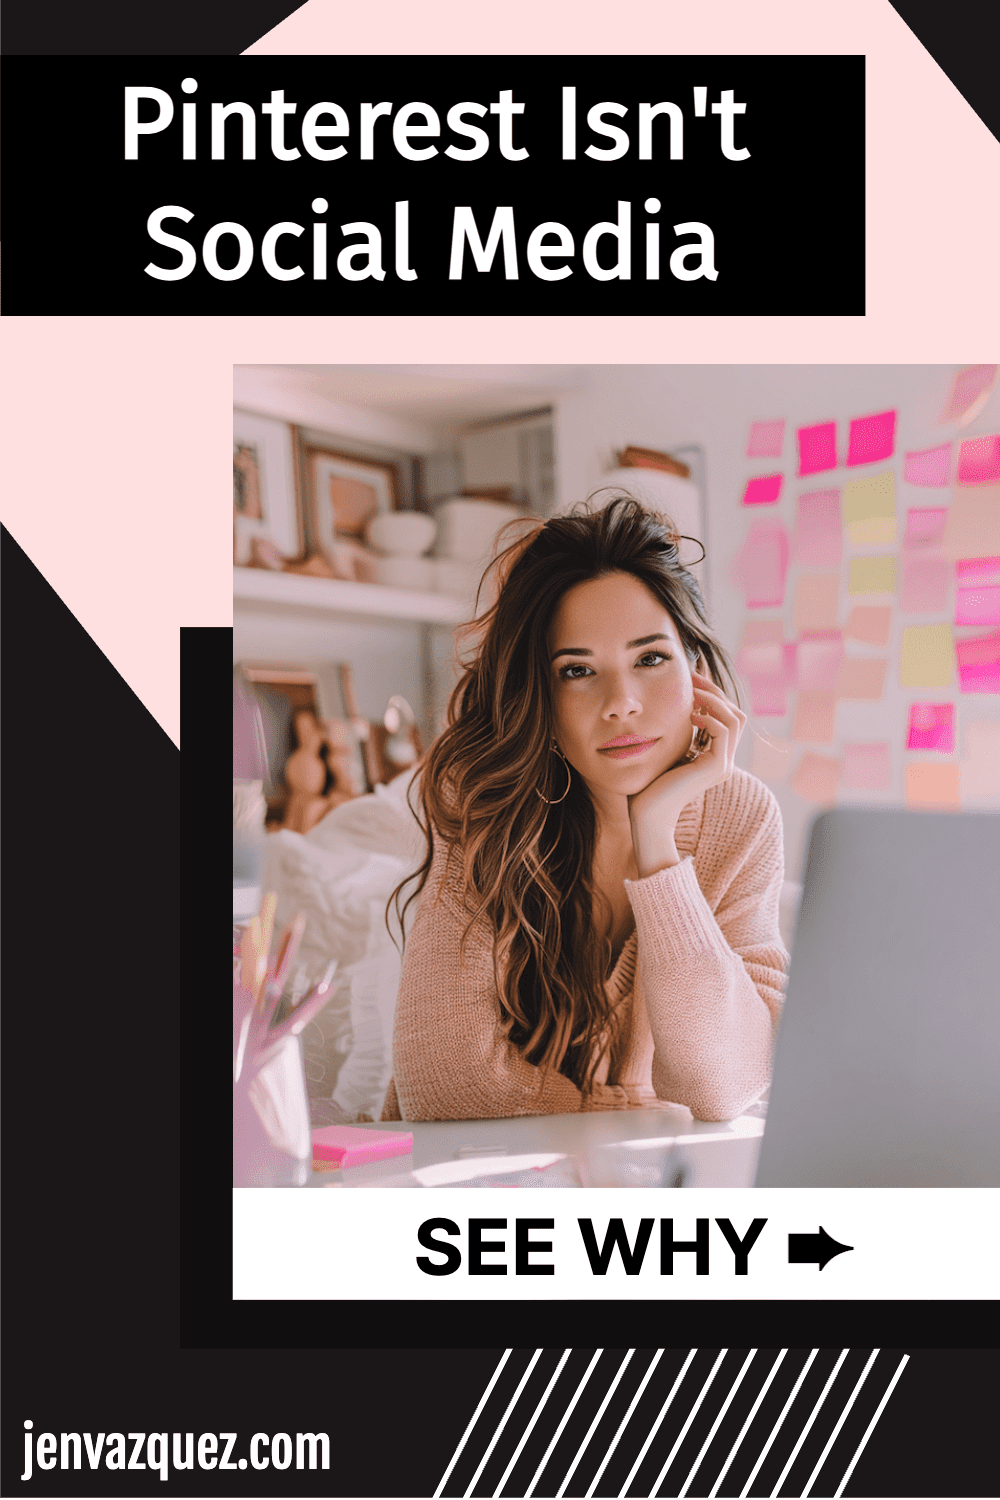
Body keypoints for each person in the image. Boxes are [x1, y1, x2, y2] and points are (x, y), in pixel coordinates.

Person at [381, 496, 788, 1124]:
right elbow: (445, 1085)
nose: (621, 702)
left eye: (650, 658)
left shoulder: (742, 816)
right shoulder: (488, 803)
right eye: (577, 671)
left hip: (643, 1192)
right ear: (539, 695)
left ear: (696, 670)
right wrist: (626, 1110)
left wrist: (657, 841)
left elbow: (724, 1086)